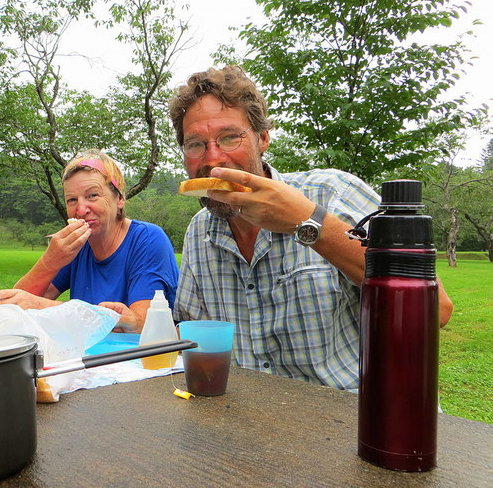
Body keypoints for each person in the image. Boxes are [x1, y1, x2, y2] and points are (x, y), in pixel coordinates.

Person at [169, 66, 453, 391]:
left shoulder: (334, 193)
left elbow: (436, 310)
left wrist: (306, 221)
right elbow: (191, 331)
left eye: (230, 137)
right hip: (247, 424)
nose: (213, 158)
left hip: (356, 422)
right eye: (195, 144)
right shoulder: (199, 232)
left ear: (262, 138)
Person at [0, 150, 179, 333]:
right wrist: (50, 261)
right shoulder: (78, 246)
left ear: (119, 198)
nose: (80, 209)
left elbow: (139, 326)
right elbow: (14, 308)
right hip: (84, 360)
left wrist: (45, 307)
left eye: (92, 195)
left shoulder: (147, 239)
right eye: (71, 200)